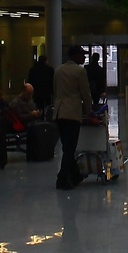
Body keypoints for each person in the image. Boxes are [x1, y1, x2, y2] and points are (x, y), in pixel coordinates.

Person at [53, 45, 93, 190]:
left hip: (59, 112)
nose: (84, 57)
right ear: (74, 56)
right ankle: (62, 178)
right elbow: (85, 92)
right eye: (82, 55)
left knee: (66, 146)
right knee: (70, 147)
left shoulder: (58, 70)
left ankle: (76, 175)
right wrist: (89, 110)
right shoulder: (80, 71)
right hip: (72, 113)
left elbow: (55, 91)